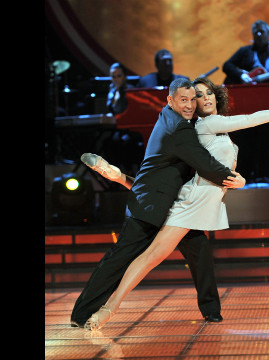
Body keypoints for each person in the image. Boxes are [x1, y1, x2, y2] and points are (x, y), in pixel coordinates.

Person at [79, 77, 269, 331]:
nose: (205, 99)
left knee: (177, 254)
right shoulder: (208, 124)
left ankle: (120, 177)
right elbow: (251, 119)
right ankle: (107, 310)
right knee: (149, 258)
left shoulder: (216, 129)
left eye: (208, 93)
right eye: (198, 97)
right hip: (192, 203)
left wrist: (238, 181)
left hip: (200, 201)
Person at [70, 78, 239, 328]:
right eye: (184, 100)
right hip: (151, 205)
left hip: (176, 204)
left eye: (193, 99)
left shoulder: (177, 120)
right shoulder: (180, 129)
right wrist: (234, 179)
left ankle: (211, 309)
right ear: (170, 100)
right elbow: (206, 165)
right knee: (120, 258)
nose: (191, 104)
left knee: (199, 251)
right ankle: (81, 314)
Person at [222, 20, 269, 85]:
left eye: (262, 31)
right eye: (256, 32)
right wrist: (241, 75)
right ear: (253, 35)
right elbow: (226, 65)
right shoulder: (244, 51)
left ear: (268, 33)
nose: (259, 34)